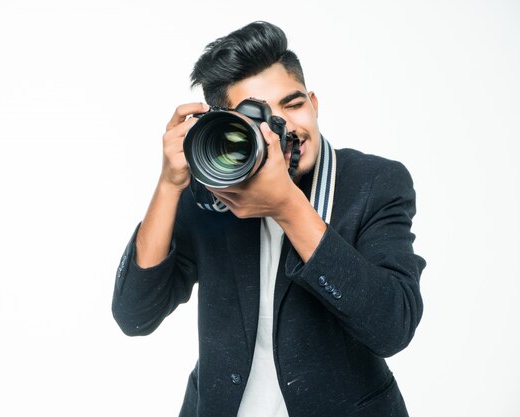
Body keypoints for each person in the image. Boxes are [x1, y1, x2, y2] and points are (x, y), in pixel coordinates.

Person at [112, 21, 425, 417]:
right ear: (226, 128)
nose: (284, 129)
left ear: (314, 102)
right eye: (259, 118)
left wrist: (287, 206)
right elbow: (135, 316)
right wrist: (170, 184)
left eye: (293, 105)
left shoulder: (374, 182)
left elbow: (392, 326)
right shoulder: (211, 192)